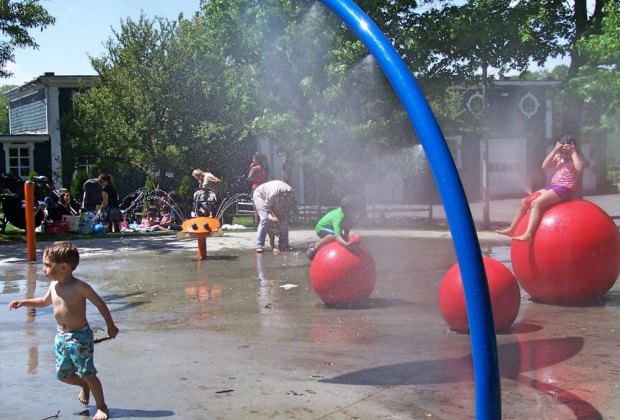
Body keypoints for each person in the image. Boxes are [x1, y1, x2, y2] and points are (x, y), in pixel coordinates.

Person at [8, 241, 119, 420]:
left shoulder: (79, 287)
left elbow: (100, 303)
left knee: (88, 372)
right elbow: (44, 302)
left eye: (47, 265)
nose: (43, 269)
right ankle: (84, 385)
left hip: (80, 337)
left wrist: (111, 325)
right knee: (63, 374)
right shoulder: (54, 286)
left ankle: (102, 406)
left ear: (63, 267)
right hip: (61, 337)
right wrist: (23, 302)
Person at [496, 134, 586, 242]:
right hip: (554, 187)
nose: (564, 152)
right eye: (562, 149)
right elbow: (545, 166)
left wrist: (573, 152)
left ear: (572, 146)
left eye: (567, 149)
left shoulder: (577, 156)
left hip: (566, 188)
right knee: (525, 201)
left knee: (536, 203)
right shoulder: (558, 156)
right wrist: (554, 151)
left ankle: (529, 234)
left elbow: (579, 169)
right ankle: (512, 229)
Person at [306, 195, 362, 260]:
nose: (357, 211)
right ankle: (314, 247)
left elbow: (347, 228)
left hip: (331, 229)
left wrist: (345, 240)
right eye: (355, 209)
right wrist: (346, 245)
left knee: (341, 239)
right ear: (347, 210)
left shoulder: (348, 216)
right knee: (333, 236)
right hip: (321, 228)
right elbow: (337, 235)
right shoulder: (339, 217)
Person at [252, 180, 294, 252]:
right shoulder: (273, 194)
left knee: (284, 219)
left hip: (271, 197)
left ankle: (284, 244)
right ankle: (259, 244)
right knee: (264, 219)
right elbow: (266, 207)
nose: (285, 199)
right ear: (282, 194)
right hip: (260, 196)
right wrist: (270, 216)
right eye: (284, 197)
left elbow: (285, 207)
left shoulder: (290, 192)